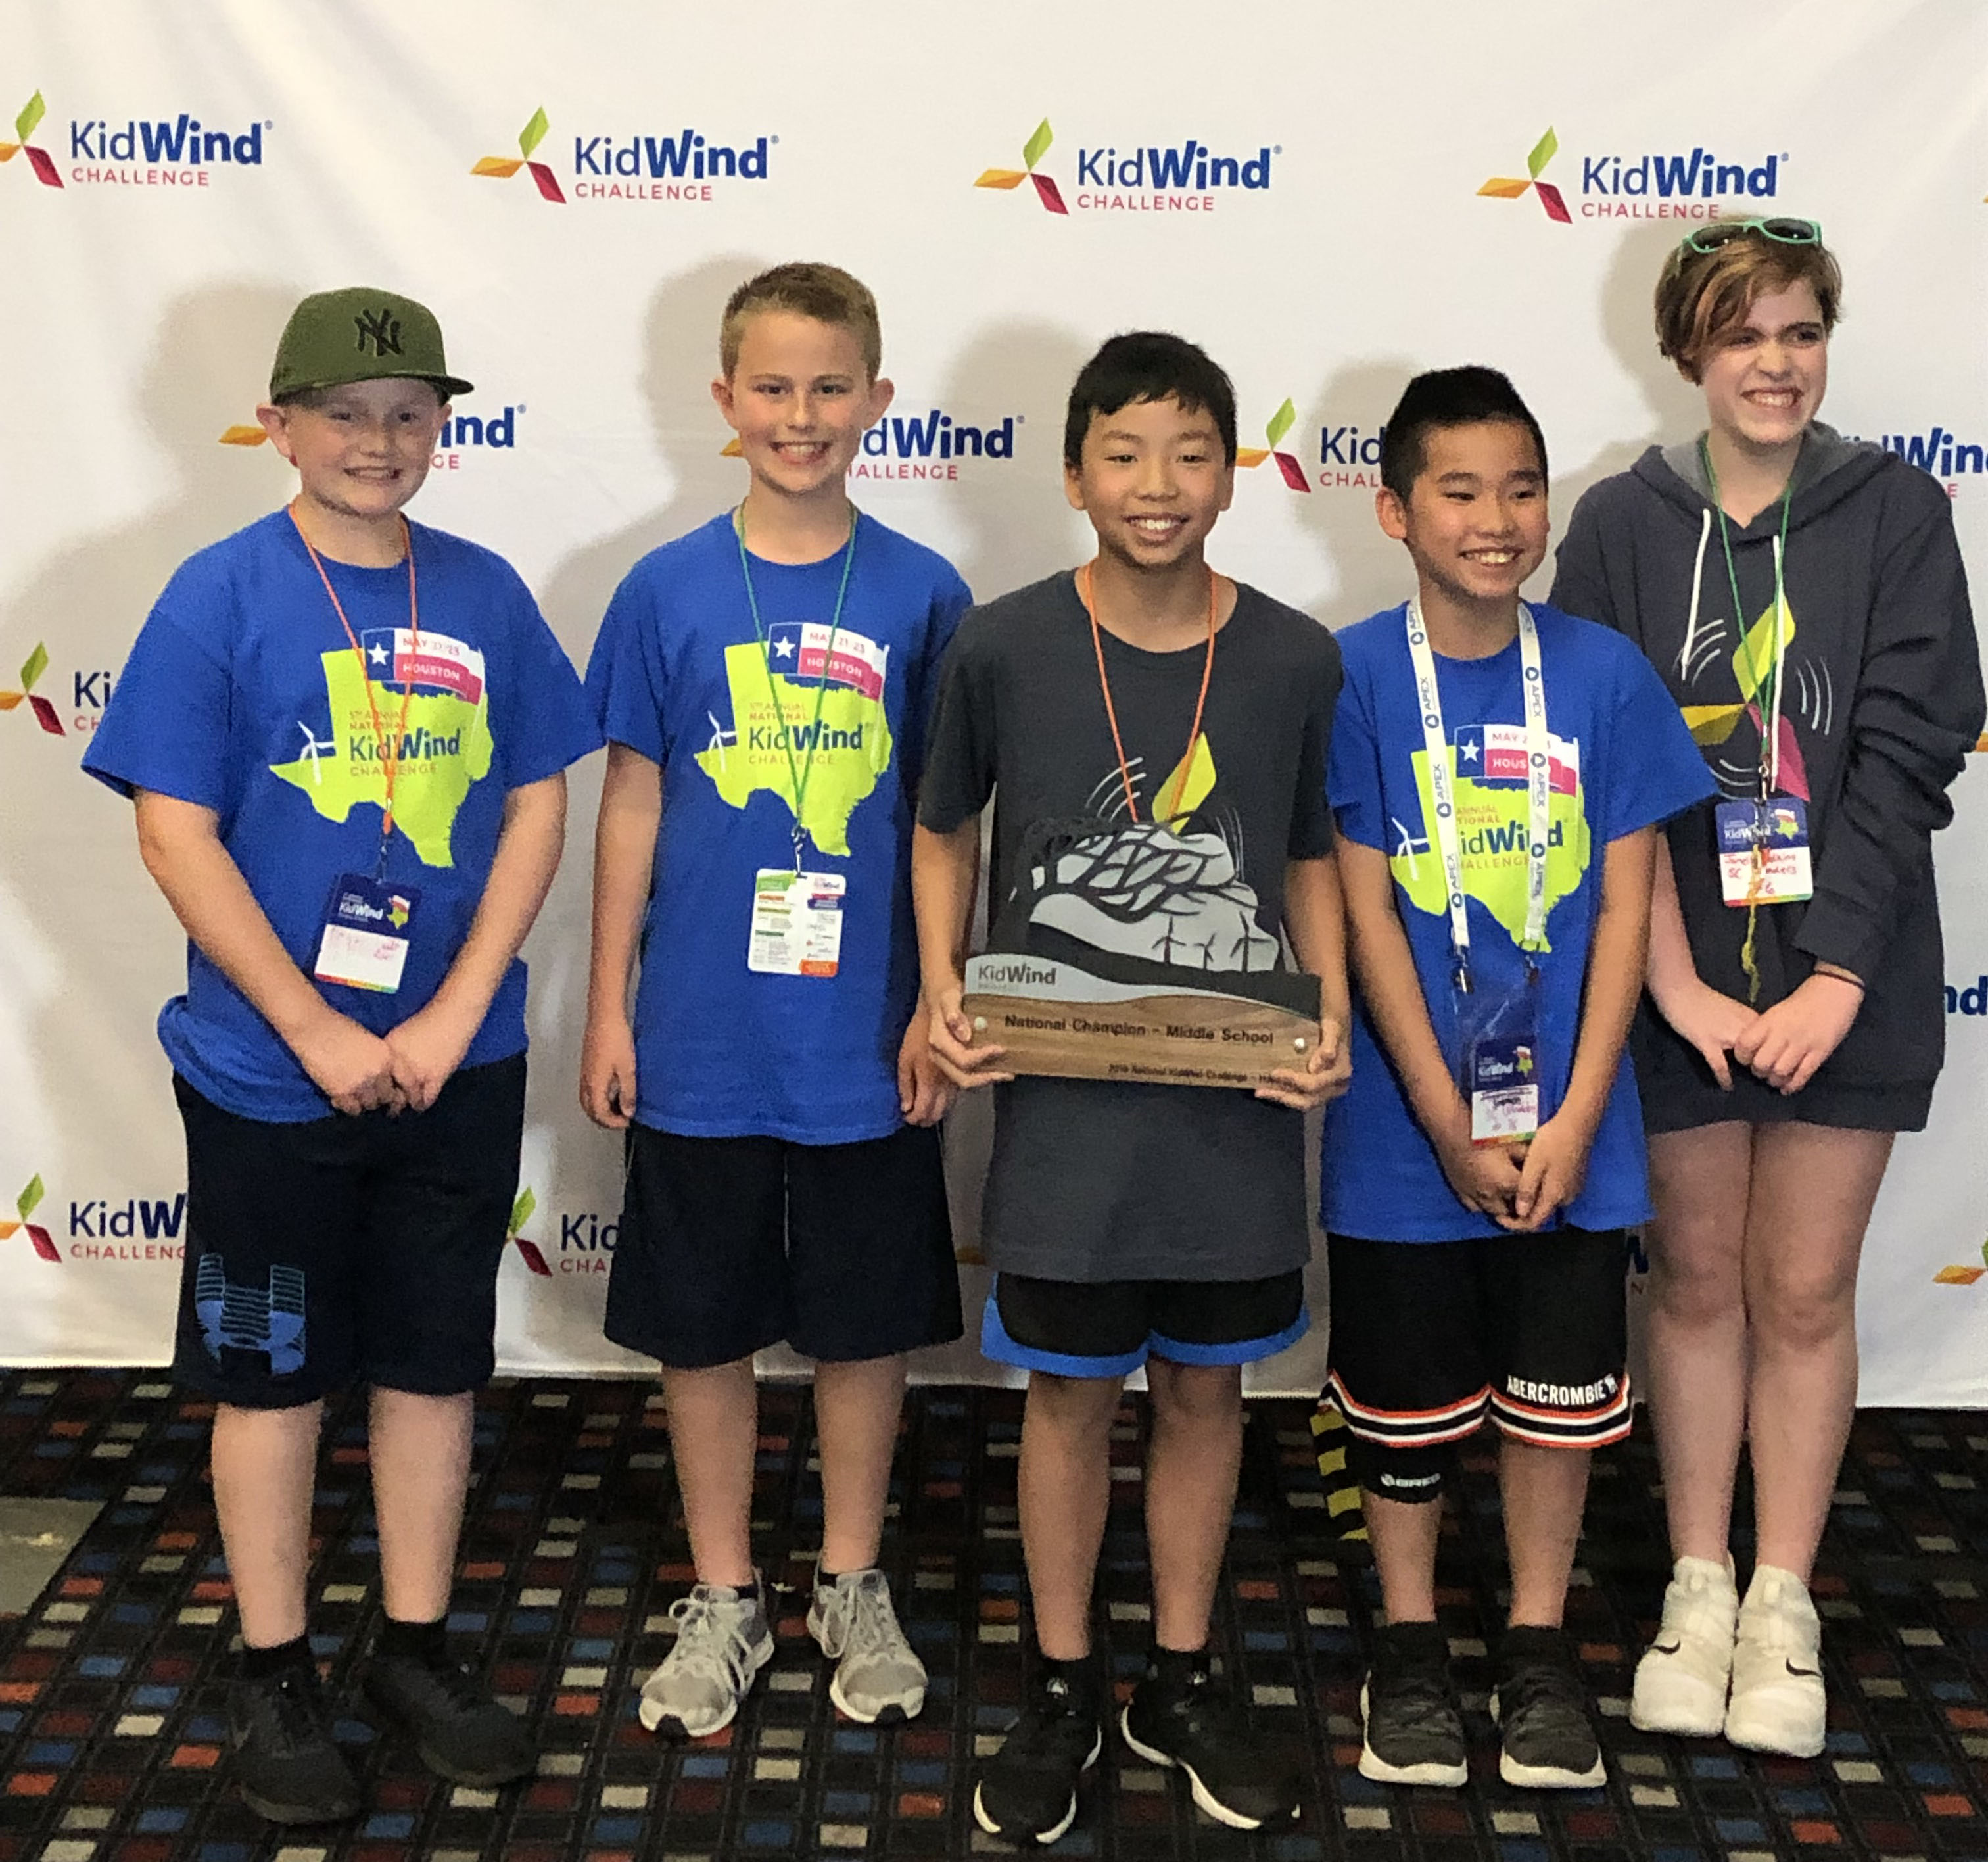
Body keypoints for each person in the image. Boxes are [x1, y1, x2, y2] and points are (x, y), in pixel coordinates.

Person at [81, 288, 602, 1823]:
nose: (379, 442)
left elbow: (536, 804)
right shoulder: (219, 593)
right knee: (277, 1377)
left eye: (408, 415)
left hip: (454, 1062)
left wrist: (450, 1014)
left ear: (440, 429)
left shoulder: (488, 594)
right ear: (280, 421)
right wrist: (310, 1024)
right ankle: (276, 1658)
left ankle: (416, 1643)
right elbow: (172, 827)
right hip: (266, 1074)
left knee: (436, 1364)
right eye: (346, 414)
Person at [1551, 220, 1982, 1757]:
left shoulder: (1899, 509)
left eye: (1800, 332)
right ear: (1690, 353)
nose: (1777, 363)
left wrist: (1839, 977)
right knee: (1700, 1284)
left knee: (1804, 1292)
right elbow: (1602, 775)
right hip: (1674, 984)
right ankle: (1697, 1578)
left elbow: (1907, 758)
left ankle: (1784, 1598)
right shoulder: (1617, 523)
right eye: (1745, 336)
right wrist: (1668, 978)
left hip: (1841, 982)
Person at [914, 331, 1351, 1843]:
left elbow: (1306, 850)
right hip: (1066, 1110)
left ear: (1235, 469)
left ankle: (1177, 1671)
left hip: (1231, 1102)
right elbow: (941, 828)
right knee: (1066, 1393)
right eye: (1124, 454)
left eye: (1190, 454)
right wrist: (943, 987)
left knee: (1208, 1388)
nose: (1158, 487)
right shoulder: (1001, 643)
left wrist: (1332, 1016)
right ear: (1073, 473)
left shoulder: (1297, 653)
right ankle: (1058, 1679)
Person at [581, 262, 968, 1740]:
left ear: (877, 399)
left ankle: (851, 1576)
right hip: (700, 1031)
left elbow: (948, 828)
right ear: (724, 400)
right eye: (772, 387)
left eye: (830, 388)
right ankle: (728, 1587)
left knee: (864, 1324)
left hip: (865, 1034)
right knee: (706, 1323)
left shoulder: (926, 594)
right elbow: (633, 804)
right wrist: (611, 1006)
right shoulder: (665, 587)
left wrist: (939, 1000)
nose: (800, 416)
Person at [1321, 367, 1714, 1790]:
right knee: (1406, 1409)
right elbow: (1363, 913)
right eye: (1460, 490)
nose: (1497, 520)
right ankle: (1413, 1646)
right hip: (1399, 1134)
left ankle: (1538, 1646)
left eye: (1521, 487)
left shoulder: (1603, 677)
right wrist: (1438, 1114)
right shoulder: (1352, 676)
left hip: (1573, 1130)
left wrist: (1585, 1108)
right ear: (1394, 509)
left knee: (1556, 1408)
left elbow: (1625, 908)